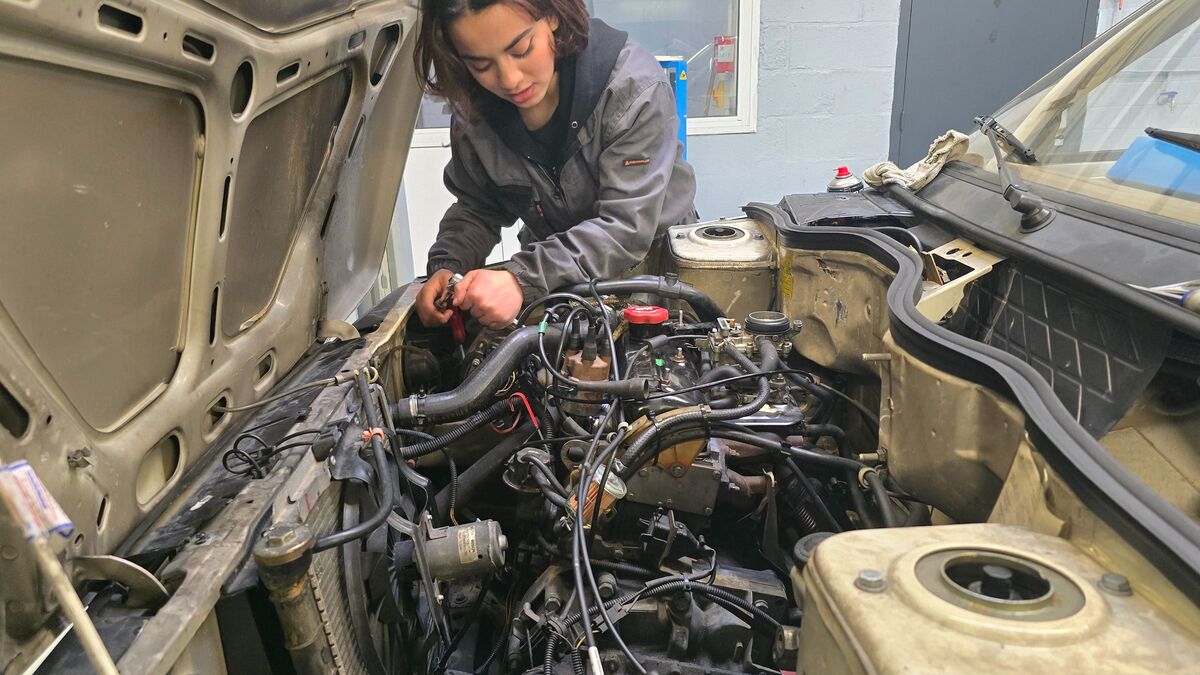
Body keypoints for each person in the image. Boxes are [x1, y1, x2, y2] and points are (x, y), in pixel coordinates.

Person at [413, 0, 697, 329]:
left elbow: (625, 228)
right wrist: (447, 269)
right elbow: (478, 209)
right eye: (480, 65)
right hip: (558, 283)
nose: (509, 79)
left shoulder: (632, 91)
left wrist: (520, 279)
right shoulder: (477, 116)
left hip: (659, 277)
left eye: (521, 49)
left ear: (551, 16)